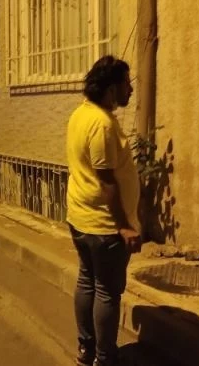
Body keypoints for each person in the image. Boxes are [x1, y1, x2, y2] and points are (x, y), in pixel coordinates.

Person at [65, 56, 142, 366]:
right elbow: (107, 180)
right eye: (126, 84)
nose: (131, 89)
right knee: (107, 291)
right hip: (103, 225)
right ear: (111, 89)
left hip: (81, 216)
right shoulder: (101, 124)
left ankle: (87, 350)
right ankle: (106, 358)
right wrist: (124, 226)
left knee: (87, 281)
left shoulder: (80, 114)